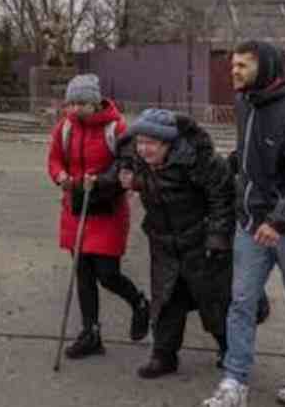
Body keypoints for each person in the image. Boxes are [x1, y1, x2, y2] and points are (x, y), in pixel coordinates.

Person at [203, 41, 285, 407]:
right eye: (233, 65)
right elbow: (249, 157)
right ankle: (234, 381)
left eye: (243, 65)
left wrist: (279, 220)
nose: (234, 72)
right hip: (250, 225)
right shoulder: (246, 104)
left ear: (267, 67)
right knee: (240, 303)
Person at [111, 108, 234, 379]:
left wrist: (217, 236)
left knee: (213, 300)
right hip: (163, 242)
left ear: (168, 144)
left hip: (199, 240)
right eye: (140, 142)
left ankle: (230, 351)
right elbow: (121, 160)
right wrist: (124, 177)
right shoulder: (135, 158)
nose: (143, 149)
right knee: (165, 301)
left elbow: (222, 197)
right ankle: (163, 356)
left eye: (151, 144)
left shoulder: (198, 160)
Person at [47, 74, 150, 359]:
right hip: (76, 207)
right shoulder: (65, 128)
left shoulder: (116, 127)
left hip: (107, 209)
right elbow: (54, 159)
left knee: (107, 274)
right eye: (71, 103)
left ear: (95, 102)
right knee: (82, 274)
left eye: (82, 103)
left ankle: (140, 302)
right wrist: (62, 177)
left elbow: (126, 164)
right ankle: (90, 332)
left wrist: (101, 181)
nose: (75, 109)